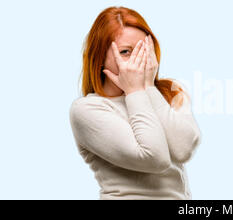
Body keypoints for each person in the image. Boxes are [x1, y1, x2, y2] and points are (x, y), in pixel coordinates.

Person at [69, 6, 201, 200]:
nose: (137, 61)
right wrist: (135, 91)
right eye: (125, 52)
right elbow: (155, 159)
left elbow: (183, 150)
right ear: (100, 59)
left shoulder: (171, 90)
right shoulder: (86, 110)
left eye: (143, 50)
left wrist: (148, 87)